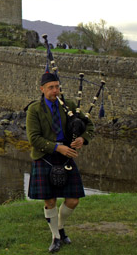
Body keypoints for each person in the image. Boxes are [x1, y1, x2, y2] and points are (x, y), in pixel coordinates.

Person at [26, 72, 94, 253]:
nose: (55, 91)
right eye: (51, 87)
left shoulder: (69, 106)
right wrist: (57, 148)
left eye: (57, 87)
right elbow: (34, 139)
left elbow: (89, 126)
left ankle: (61, 227)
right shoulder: (34, 110)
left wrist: (82, 138)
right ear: (42, 89)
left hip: (66, 157)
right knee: (50, 201)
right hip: (44, 157)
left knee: (73, 200)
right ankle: (55, 237)